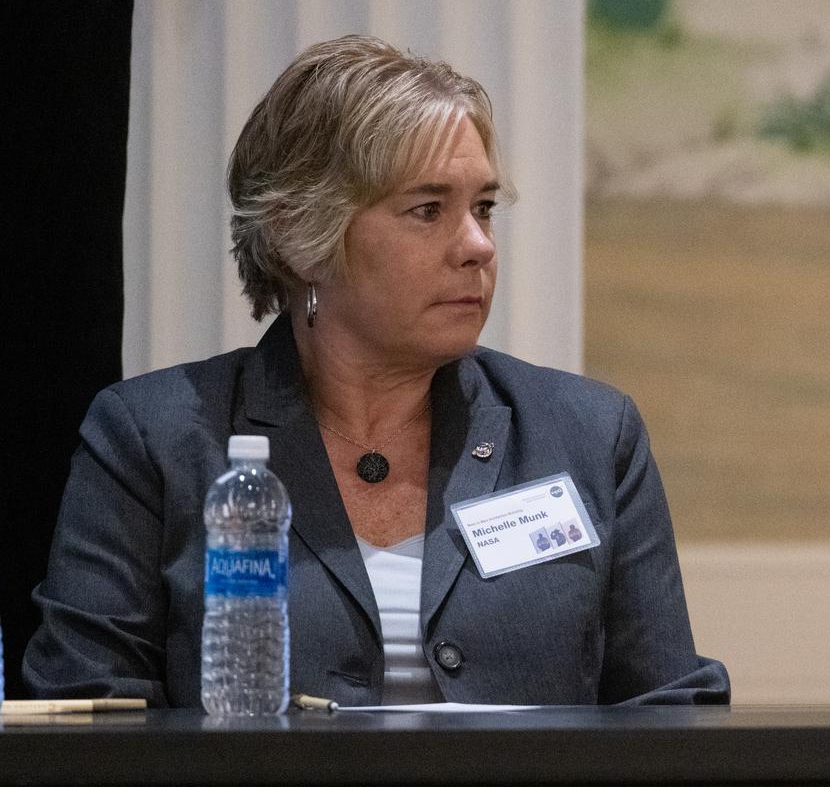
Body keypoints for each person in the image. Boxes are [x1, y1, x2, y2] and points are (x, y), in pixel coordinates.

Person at [26, 35, 728, 707]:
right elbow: (88, 713)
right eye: (428, 210)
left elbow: (669, 713)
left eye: (483, 208)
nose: (479, 245)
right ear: (302, 236)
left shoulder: (589, 435)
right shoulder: (154, 440)